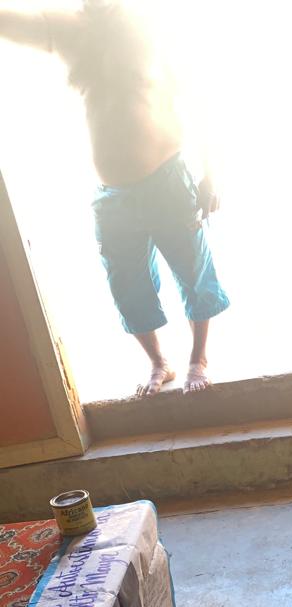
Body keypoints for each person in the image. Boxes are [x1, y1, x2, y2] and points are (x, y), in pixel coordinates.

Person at [0, 1, 229, 396]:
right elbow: (14, 23)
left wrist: (211, 173)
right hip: (112, 196)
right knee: (126, 285)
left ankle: (199, 359)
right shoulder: (71, 30)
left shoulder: (150, 26)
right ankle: (158, 362)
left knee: (194, 272)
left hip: (167, 179)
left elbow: (195, 99)